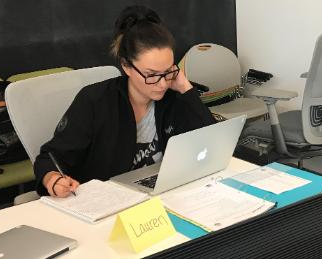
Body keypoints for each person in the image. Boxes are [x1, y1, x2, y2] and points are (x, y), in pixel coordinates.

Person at [33, 5, 216, 197]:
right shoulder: (94, 101)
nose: (162, 84)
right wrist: (52, 179)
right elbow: (48, 159)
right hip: (106, 202)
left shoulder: (173, 97)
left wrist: (186, 89)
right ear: (126, 66)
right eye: (151, 74)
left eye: (168, 71)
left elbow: (212, 145)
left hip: (160, 196)